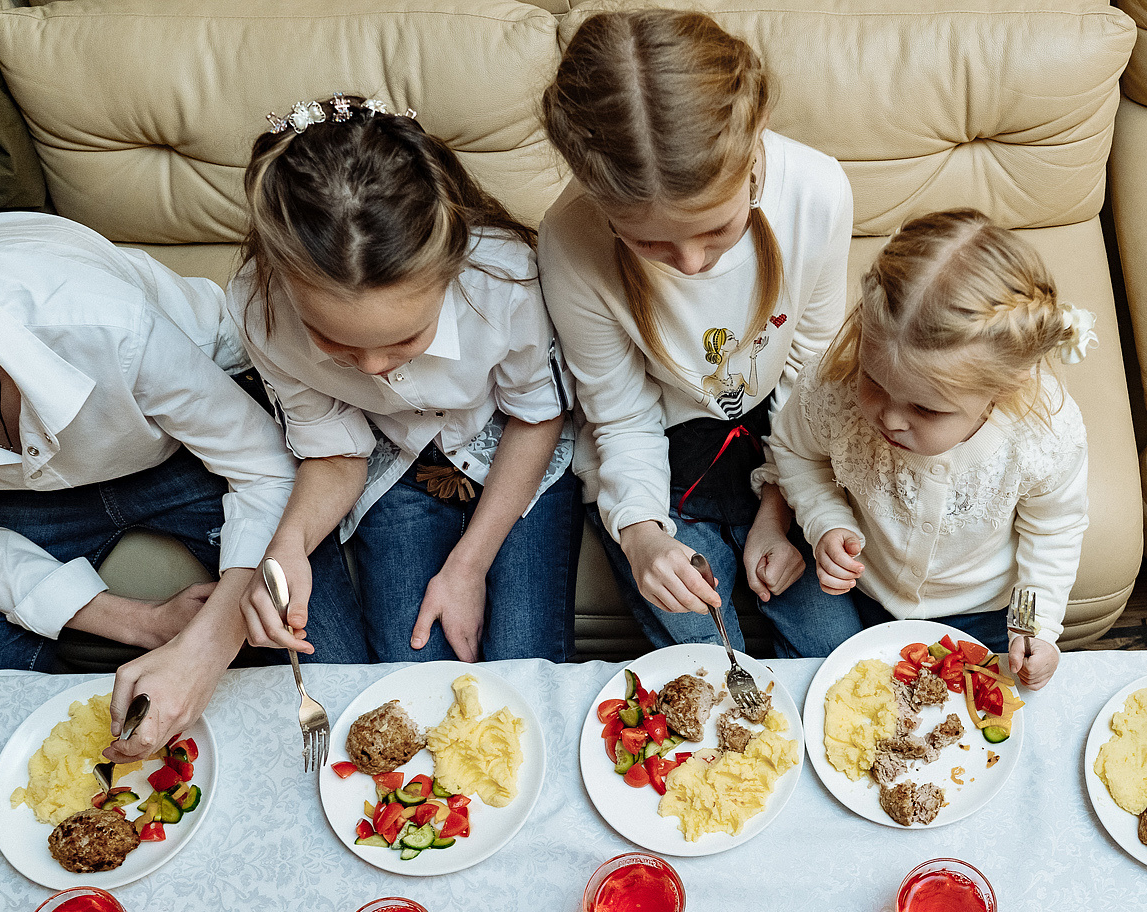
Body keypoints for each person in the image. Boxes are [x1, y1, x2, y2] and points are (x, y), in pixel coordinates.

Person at [0, 212, 362, 766]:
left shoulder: (100, 323)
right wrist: (136, 620)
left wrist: (207, 648)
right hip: (14, 494)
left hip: (186, 451)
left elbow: (266, 470)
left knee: (342, 689)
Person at [539, 9, 857, 656]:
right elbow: (622, 418)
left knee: (837, 654)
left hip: (781, 436)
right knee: (710, 674)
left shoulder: (819, 193)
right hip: (659, 451)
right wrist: (643, 536)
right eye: (649, 242)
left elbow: (811, 372)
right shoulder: (569, 240)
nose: (690, 264)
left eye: (717, 231)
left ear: (754, 145)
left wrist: (779, 508)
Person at [231, 95, 579, 665]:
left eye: (404, 340)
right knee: (411, 669)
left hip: (516, 448)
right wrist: (287, 545)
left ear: (451, 270)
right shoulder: (258, 308)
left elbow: (536, 414)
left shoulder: (503, 275)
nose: (372, 369)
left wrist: (467, 567)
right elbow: (337, 452)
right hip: (393, 461)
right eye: (336, 343)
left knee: (525, 664)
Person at [765, 209, 1095, 689]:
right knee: (819, 679)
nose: (890, 418)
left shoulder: (1044, 436)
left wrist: (1035, 624)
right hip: (857, 584)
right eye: (873, 381)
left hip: (975, 610)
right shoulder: (832, 388)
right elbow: (794, 453)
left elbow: (1054, 529)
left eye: (927, 410)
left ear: (1003, 388)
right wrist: (826, 522)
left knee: (972, 707)